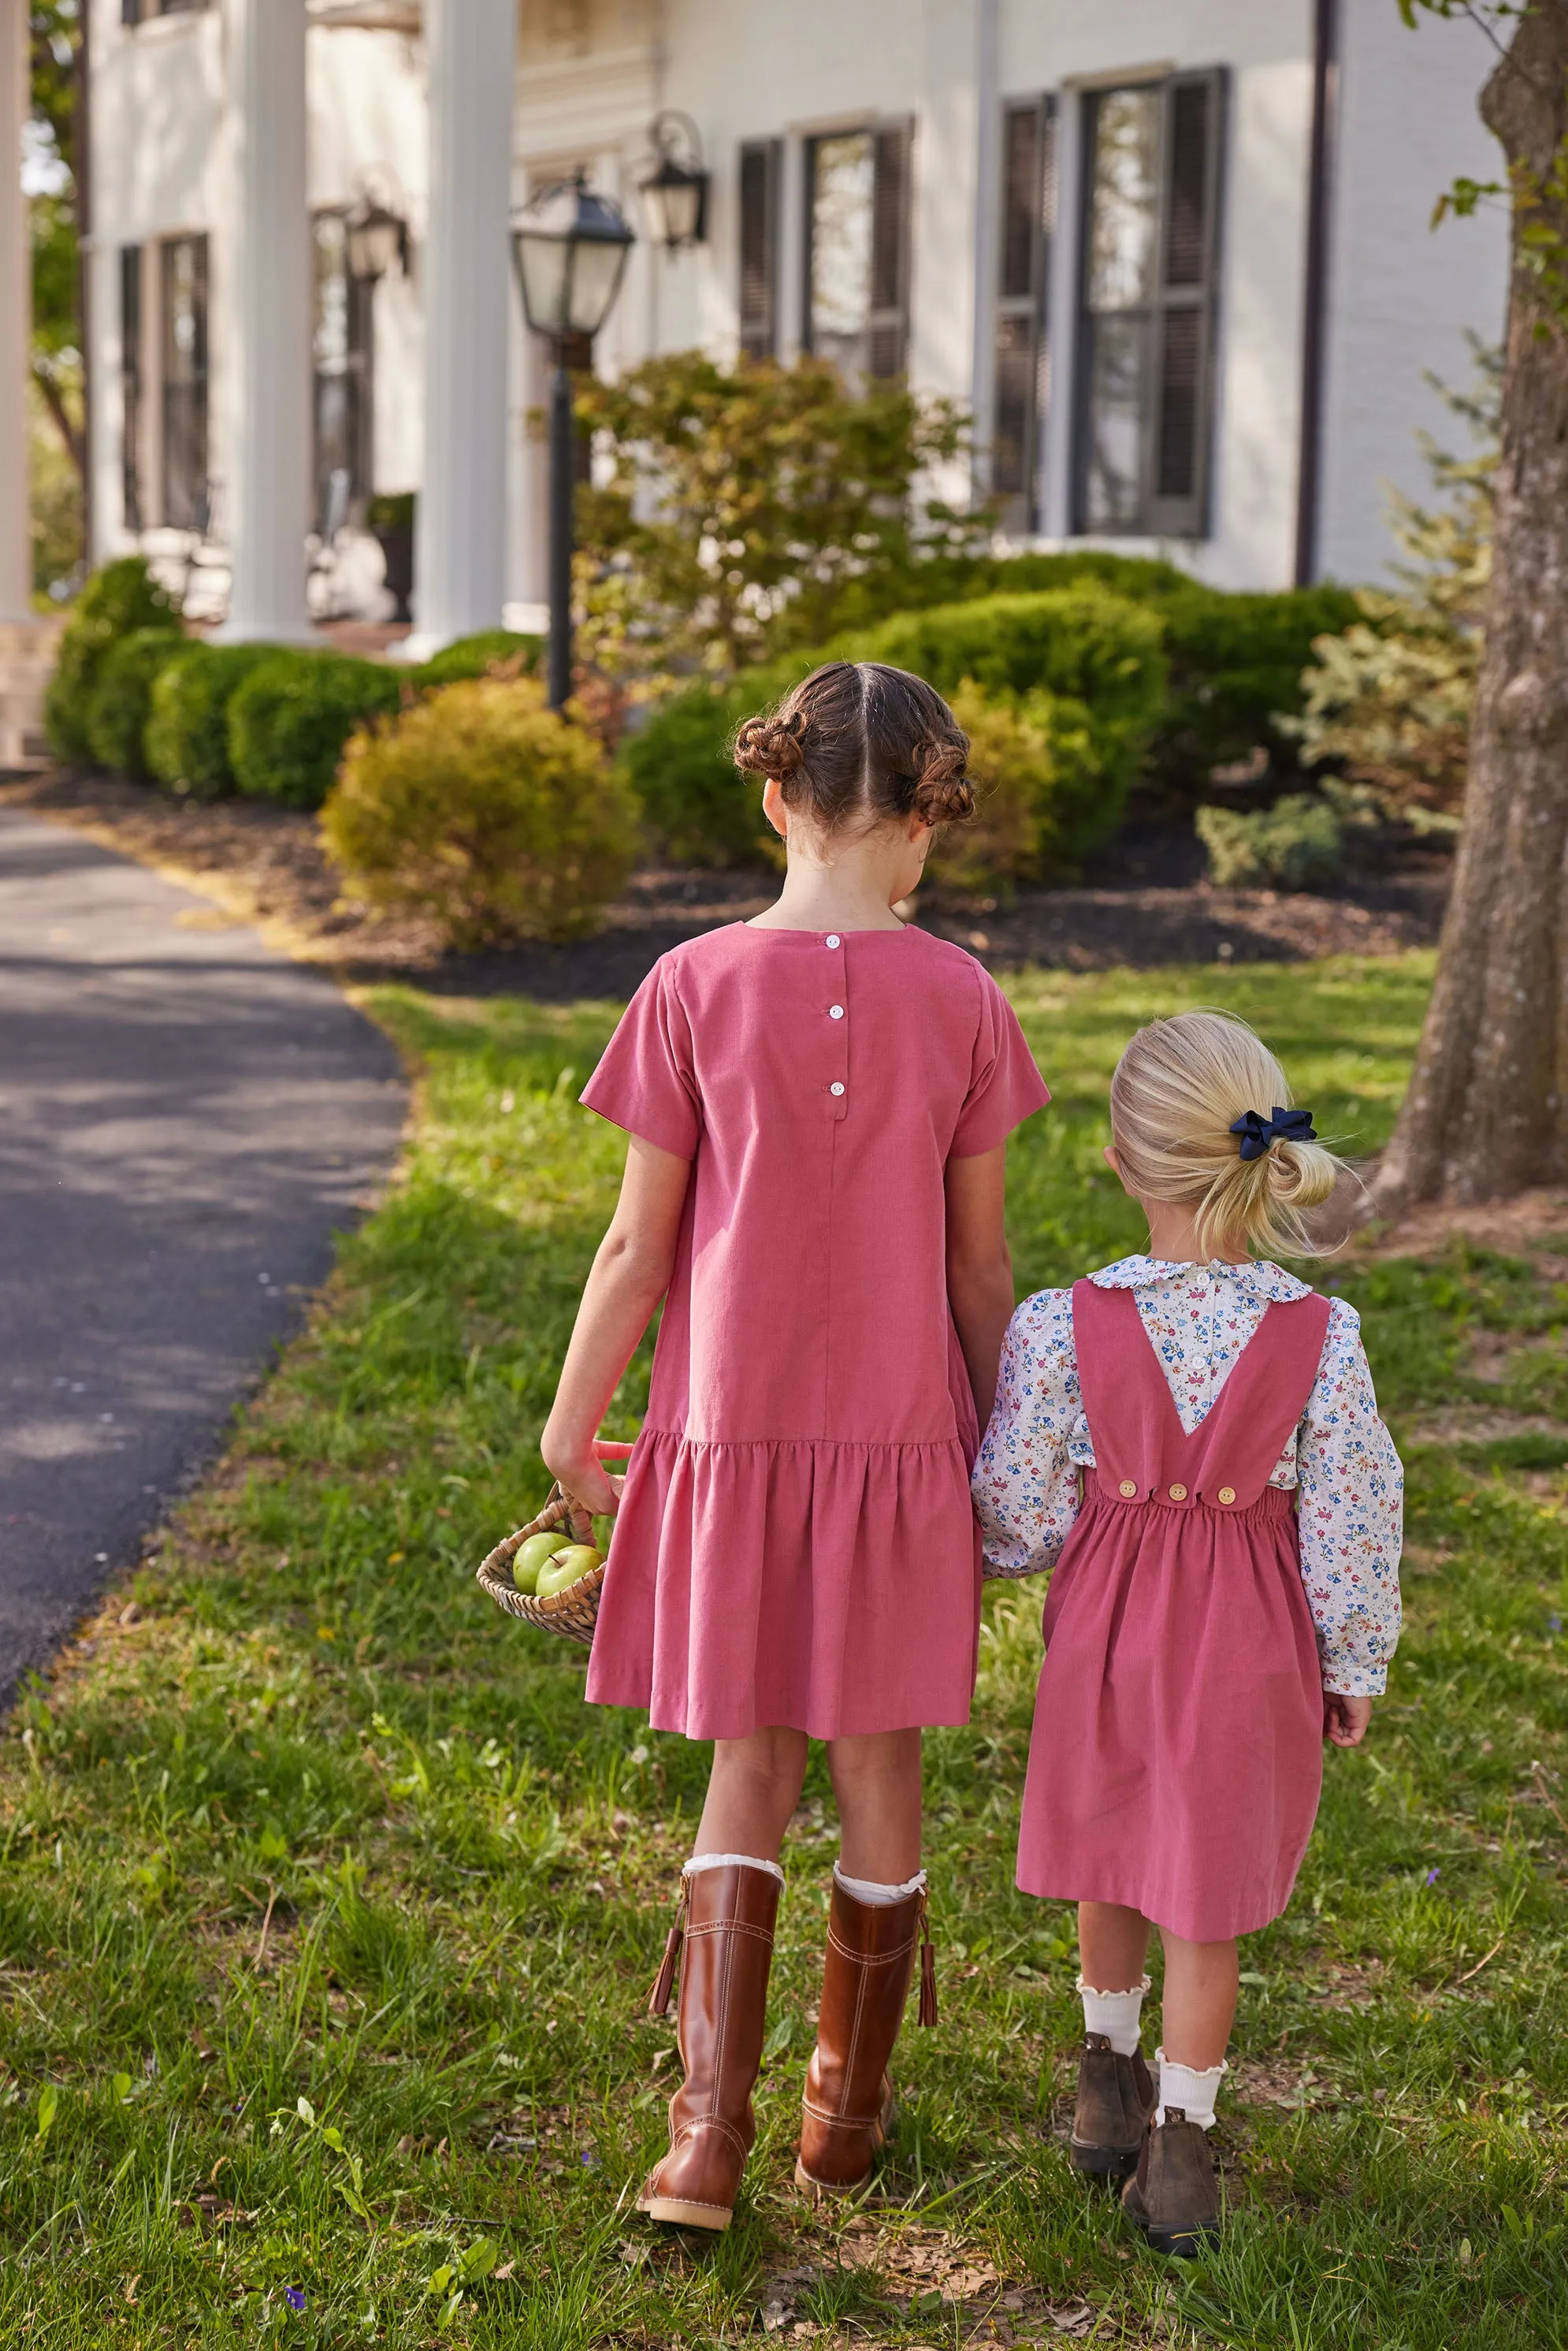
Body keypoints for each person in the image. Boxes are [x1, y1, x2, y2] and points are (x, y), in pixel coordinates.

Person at [541, 660, 1050, 2232]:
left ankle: (702, 2142)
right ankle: (844, 2111)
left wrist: (572, 1422)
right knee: (879, 1767)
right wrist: (1003, 1438)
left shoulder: (688, 986)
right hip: (900, 1444)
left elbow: (636, 1248)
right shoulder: (961, 998)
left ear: (774, 800)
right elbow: (979, 1272)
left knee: (746, 1766)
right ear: (921, 825)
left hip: (726, 1437)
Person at [973, 1010, 1403, 2257]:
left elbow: (1018, 1501)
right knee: (1200, 1895)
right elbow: (1353, 1512)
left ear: (1119, 1160)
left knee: (1110, 1851)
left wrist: (997, 1546)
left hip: (1108, 1630)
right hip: (1247, 1645)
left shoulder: (1061, 1321)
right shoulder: (1320, 1335)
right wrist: (1352, 1654)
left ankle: (1102, 2079)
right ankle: (1177, 2145)